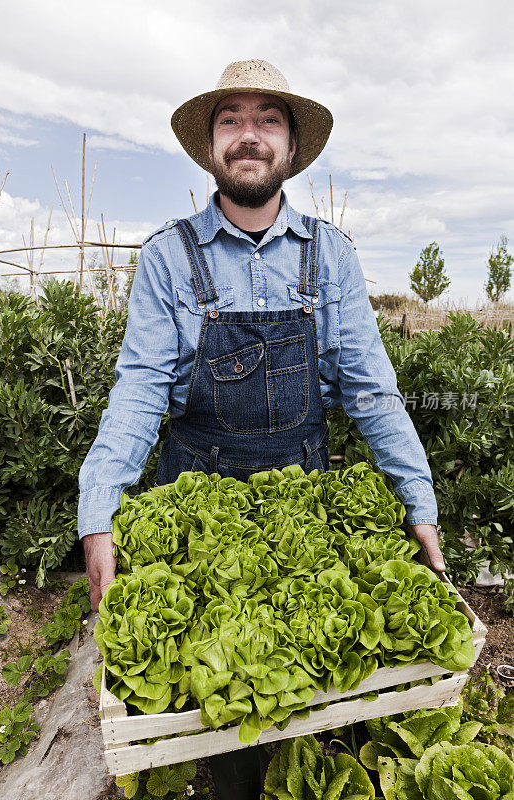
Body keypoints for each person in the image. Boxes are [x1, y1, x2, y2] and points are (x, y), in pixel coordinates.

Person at [78, 58, 445, 798]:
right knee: (222, 699)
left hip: (301, 494)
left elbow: (371, 391)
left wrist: (418, 500)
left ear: (289, 146)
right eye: (231, 120)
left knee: (315, 675)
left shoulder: (329, 255)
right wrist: (99, 509)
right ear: (212, 145)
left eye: (266, 119)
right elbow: (141, 388)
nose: (248, 134)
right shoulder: (167, 256)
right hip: (193, 494)